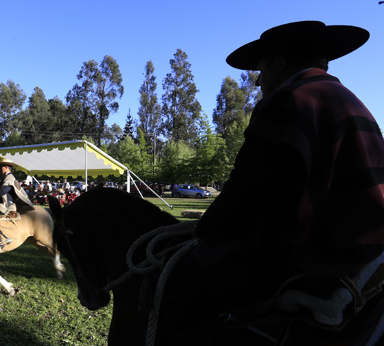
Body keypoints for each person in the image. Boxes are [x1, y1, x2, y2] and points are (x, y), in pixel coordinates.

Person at [157, 21, 384, 344]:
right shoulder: (354, 101)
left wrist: (205, 230)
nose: (258, 81)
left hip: (320, 255)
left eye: (260, 70)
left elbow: (246, 192)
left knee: (180, 281)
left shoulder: (287, 99)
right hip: (370, 251)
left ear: (279, 64)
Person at [0, 159, 34, 255]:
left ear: (6, 167)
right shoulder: (6, 177)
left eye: (1, 167)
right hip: (0, 202)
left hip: (5, 204)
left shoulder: (9, 178)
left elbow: (2, 191)